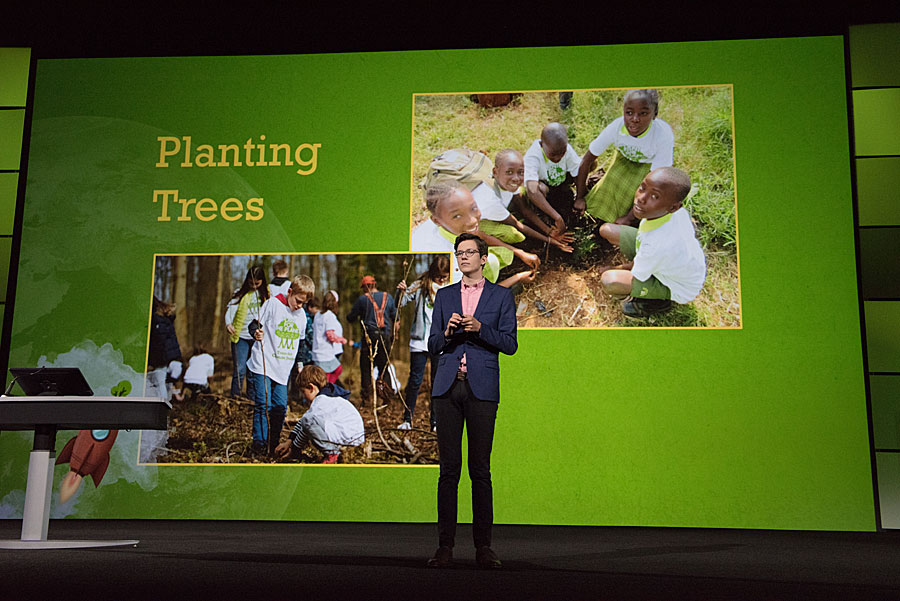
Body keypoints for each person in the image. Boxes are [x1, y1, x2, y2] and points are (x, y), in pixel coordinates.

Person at [426, 232, 518, 570]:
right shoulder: (444, 295)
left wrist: (479, 328)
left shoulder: (501, 297)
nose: (463, 257)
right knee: (449, 471)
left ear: (483, 258)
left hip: (482, 390)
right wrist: (448, 334)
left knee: (480, 470)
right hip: (447, 389)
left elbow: (510, 344)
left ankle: (484, 547)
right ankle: (444, 546)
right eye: (459, 252)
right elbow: (432, 345)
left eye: (469, 253)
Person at [596, 167, 706, 317]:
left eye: (655, 196)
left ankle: (657, 301)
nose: (641, 198)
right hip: (668, 259)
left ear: (673, 207)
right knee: (607, 230)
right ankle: (650, 279)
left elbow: (638, 271)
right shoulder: (670, 213)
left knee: (610, 280)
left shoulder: (658, 245)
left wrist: (616, 267)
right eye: (642, 188)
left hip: (675, 285)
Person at [410, 180, 538, 287]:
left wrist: (519, 252)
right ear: (437, 221)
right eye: (457, 216)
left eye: (473, 208)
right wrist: (518, 278)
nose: (472, 220)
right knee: (491, 262)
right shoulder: (448, 262)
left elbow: (478, 234)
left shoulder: (448, 223)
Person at [575, 89, 675, 224]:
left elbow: (657, 181)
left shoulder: (662, 135)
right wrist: (580, 197)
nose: (634, 119)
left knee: (634, 194)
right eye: (629, 113)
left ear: (654, 114)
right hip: (623, 158)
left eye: (643, 113)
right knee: (605, 192)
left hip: (648, 166)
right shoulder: (616, 127)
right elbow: (587, 160)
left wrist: (629, 218)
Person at [246, 275, 314, 455]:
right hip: (263, 362)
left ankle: (272, 443)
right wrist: (256, 333)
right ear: (290, 292)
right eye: (298, 301)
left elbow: (300, 344)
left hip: (282, 369)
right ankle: (259, 444)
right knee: (263, 404)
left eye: (303, 303)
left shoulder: (301, 316)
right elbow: (254, 324)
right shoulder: (273, 304)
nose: (299, 305)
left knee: (280, 407)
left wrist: (300, 365)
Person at [472, 149, 573, 253]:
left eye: (521, 172)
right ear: (495, 172)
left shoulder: (507, 184)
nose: (516, 178)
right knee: (512, 234)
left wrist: (549, 231)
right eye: (509, 172)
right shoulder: (490, 199)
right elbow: (517, 225)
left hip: (497, 213)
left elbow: (525, 209)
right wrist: (551, 241)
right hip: (475, 224)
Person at [395, 254, 451, 431]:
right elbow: (401, 303)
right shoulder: (420, 285)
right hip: (419, 341)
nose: (441, 280)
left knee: (438, 383)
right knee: (415, 381)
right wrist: (401, 291)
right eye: (438, 276)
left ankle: (435, 422)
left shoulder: (452, 287)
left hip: (440, 342)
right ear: (432, 273)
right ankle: (407, 420)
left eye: (444, 276)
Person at [274, 365, 364, 464]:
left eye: (304, 392)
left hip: (348, 439)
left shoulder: (321, 402)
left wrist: (294, 450)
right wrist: (289, 441)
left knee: (309, 421)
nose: (304, 396)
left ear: (311, 388)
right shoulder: (328, 395)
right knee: (309, 420)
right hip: (353, 438)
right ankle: (333, 451)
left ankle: (332, 454)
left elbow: (306, 422)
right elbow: (304, 420)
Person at [522, 122, 582, 235]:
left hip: (561, 184)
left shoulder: (566, 149)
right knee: (540, 188)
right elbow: (531, 191)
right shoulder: (533, 156)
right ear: (541, 144)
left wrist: (580, 198)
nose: (558, 158)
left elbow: (577, 173)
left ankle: (567, 196)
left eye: (561, 153)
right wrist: (557, 217)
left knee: (584, 165)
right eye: (553, 154)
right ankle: (544, 214)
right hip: (545, 190)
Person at [347, 275, 396, 406]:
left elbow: (351, 317)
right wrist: (393, 334)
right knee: (383, 368)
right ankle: (386, 397)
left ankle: (367, 399)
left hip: (369, 339)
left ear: (365, 287)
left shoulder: (362, 299)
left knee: (366, 369)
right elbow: (396, 317)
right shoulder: (388, 297)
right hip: (384, 338)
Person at [225, 266, 268, 400]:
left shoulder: (267, 295)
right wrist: (228, 323)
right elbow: (230, 309)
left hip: (257, 337)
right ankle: (235, 398)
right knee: (240, 369)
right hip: (241, 336)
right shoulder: (240, 293)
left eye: (257, 283)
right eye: (251, 283)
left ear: (262, 281)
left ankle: (251, 399)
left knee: (253, 370)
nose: (254, 286)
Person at [147, 297, 182, 399]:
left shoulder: (158, 321)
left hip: (162, 356)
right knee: (161, 380)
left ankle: (162, 404)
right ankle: (165, 401)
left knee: (160, 381)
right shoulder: (166, 320)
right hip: (167, 355)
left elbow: (159, 341)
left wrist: (152, 358)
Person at [312, 290, 347, 384]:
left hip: (316, 352)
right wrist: (341, 340)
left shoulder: (318, 315)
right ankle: (327, 389)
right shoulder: (329, 316)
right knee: (337, 370)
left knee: (325, 376)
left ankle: (327, 388)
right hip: (325, 353)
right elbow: (330, 335)